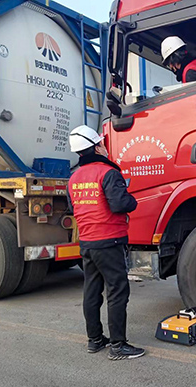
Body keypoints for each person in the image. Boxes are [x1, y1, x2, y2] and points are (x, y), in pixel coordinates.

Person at [68, 125, 145, 361]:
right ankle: (118, 345)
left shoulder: (73, 178)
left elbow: (74, 208)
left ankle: (95, 340)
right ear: (96, 147)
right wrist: (132, 199)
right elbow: (120, 204)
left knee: (92, 292)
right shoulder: (108, 173)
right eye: (101, 143)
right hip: (109, 241)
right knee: (117, 292)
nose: (104, 146)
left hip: (88, 243)